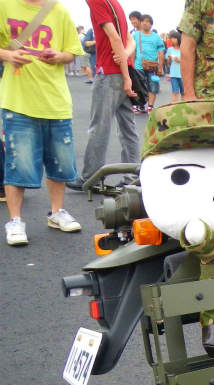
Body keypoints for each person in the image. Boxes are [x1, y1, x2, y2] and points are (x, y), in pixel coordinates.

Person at [0, 0, 85, 245]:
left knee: (61, 163)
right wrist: (8, 55)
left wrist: (59, 56)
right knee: (17, 164)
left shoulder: (59, 10)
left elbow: (71, 52)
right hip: (18, 102)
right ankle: (15, 221)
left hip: (56, 102)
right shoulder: (5, 5)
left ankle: (57, 212)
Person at [68, 0, 139, 193]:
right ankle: (133, 177)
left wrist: (125, 75)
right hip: (122, 72)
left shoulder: (96, 1)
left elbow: (115, 38)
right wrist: (125, 60)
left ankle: (90, 177)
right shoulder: (114, 3)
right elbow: (129, 40)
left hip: (108, 74)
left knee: (99, 126)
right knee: (128, 128)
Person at [134, 15, 164, 113]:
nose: (145, 23)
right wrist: (132, 64)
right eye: (143, 21)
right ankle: (141, 105)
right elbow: (133, 51)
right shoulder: (136, 35)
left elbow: (161, 53)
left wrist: (160, 67)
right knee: (139, 87)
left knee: (153, 86)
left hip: (152, 67)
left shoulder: (157, 37)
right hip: (138, 66)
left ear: (151, 24)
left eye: (147, 21)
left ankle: (150, 106)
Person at [166, 31, 183, 102]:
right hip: (173, 74)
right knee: (175, 92)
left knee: (183, 93)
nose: (172, 40)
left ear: (178, 39)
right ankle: (174, 106)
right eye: (171, 38)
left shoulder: (183, 49)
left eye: (174, 38)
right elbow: (168, 63)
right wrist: (169, 59)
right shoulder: (170, 49)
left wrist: (179, 60)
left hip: (182, 74)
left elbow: (187, 61)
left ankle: (184, 106)